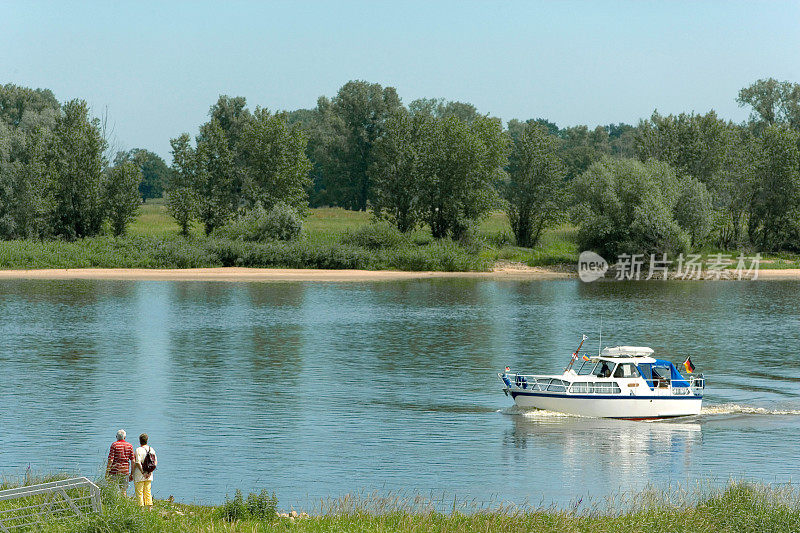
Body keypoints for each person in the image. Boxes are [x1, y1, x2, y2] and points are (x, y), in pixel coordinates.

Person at [131, 433, 157, 509]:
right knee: (148, 491)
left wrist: (143, 472)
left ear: (140, 441)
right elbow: (155, 463)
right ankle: (149, 508)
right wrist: (149, 472)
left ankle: (141, 509)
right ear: (147, 440)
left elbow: (137, 462)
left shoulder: (138, 450)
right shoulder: (151, 449)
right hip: (149, 475)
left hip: (139, 475)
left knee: (139, 492)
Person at [106, 429, 134, 496]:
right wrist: (132, 473)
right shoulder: (129, 446)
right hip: (125, 471)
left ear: (116, 437)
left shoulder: (114, 445)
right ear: (125, 437)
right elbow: (133, 460)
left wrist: (107, 471)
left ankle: (114, 503)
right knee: (123, 491)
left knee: (113, 489)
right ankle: (124, 504)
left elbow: (111, 459)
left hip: (114, 471)